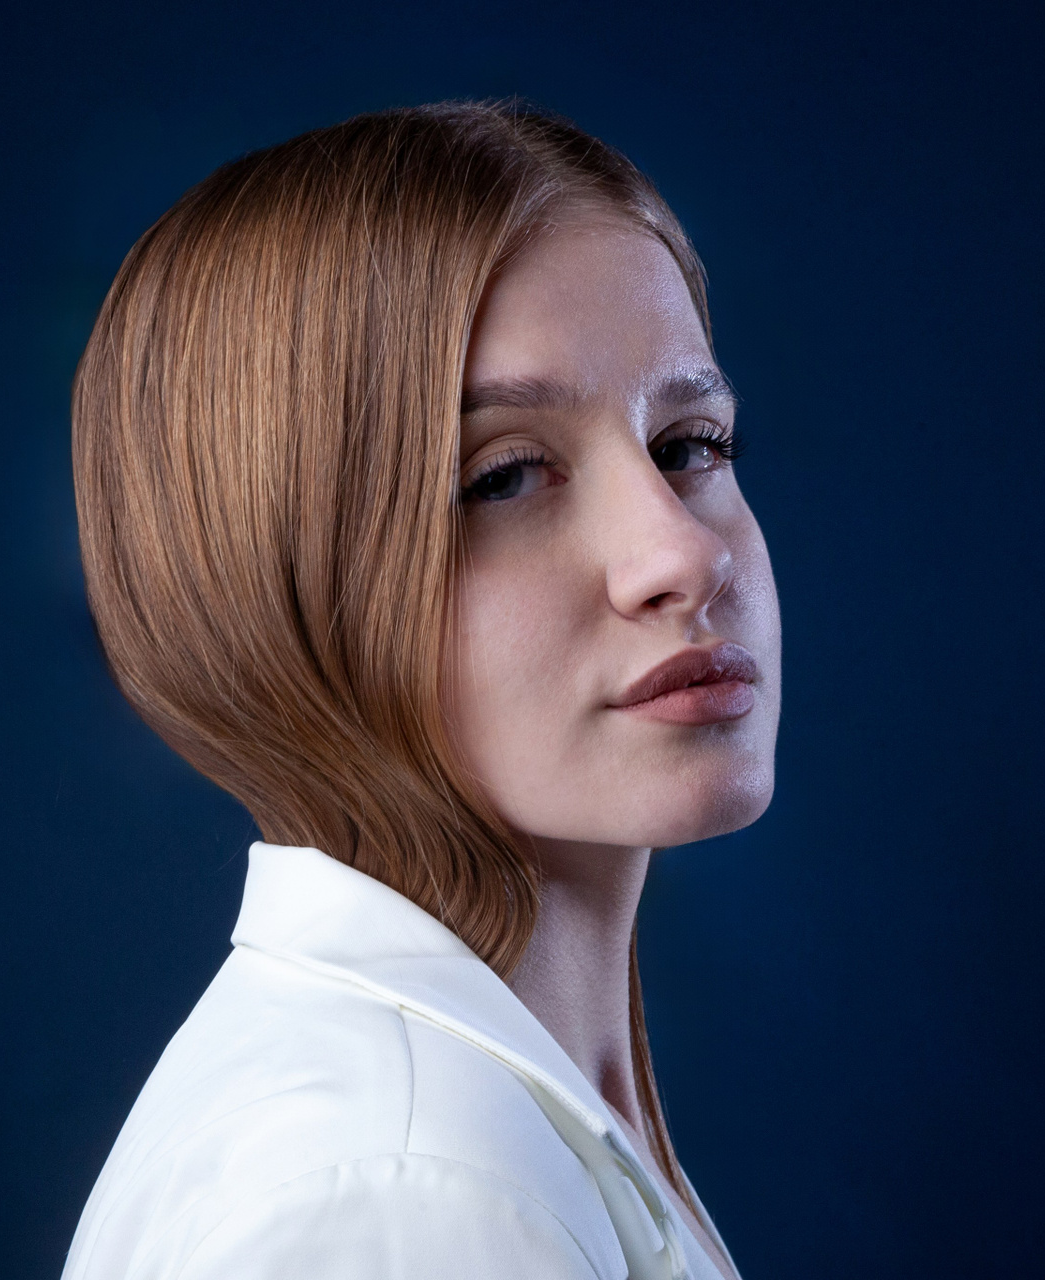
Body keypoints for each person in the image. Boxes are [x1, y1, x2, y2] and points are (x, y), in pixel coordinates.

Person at [63, 100, 781, 1280]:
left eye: (689, 444)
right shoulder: (406, 1188)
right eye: (504, 476)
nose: (684, 553)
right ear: (277, 581)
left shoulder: (487, 1128)